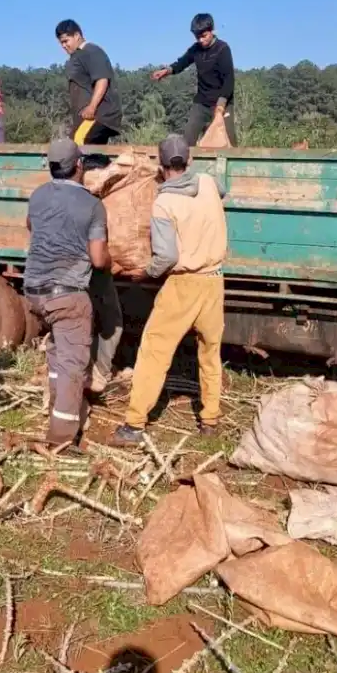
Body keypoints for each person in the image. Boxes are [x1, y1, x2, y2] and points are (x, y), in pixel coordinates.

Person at [111, 134, 227, 446]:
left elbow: (167, 257)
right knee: (210, 351)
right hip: (214, 281)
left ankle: (134, 425)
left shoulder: (163, 203)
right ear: (188, 160)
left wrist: (142, 273)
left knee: (154, 351)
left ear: (162, 168)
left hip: (183, 284)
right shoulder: (207, 182)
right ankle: (210, 420)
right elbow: (223, 189)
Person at [25, 139, 112, 444]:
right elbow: (99, 259)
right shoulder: (92, 205)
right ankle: (61, 439)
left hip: (34, 291)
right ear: (79, 166)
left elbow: (32, 228)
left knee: (58, 352)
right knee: (74, 364)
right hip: (68, 294)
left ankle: (55, 403)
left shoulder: (37, 196)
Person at [151, 13, 237, 147]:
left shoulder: (222, 49)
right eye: (197, 37)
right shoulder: (195, 50)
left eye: (204, 36)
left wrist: (220, 107)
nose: (201, 40)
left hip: (222, 102)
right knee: (188, 138)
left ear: (211, 31)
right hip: (202, 103)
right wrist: (166, 71)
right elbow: (182, 63)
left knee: (228, 141)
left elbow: (229, 81)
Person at [55, 19, 123, 144]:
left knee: (80, 145)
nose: (63, 46)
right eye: (61, 43)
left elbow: (102, 80)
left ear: (77, 35)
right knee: (77, 149)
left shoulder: (91, 51)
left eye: (66, 41)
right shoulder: (77, 56)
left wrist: (92, 107)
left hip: (99, 115)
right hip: (85, 118)